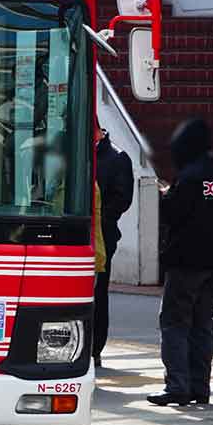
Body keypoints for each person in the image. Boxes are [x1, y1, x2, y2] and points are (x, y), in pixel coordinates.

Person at [151, 118, 213, 407]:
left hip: (185, 263)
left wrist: (166, 195)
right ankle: (199, 387)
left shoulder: (189, 178)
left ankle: (177, 386)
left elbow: (173, 215)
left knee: (175, 323)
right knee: (202, 325)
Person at [94, 131, 135, 368]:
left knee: (99, 294)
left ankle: (95, 348)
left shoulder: (117, 157)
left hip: (103, 236)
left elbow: (123, 199)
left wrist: (101, 220)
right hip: (71, 234)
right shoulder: (65, 147)